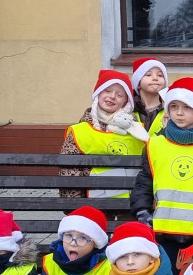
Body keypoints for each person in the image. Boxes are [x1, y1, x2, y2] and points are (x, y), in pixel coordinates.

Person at [130, 77, 193, 273]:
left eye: (187, 107)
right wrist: (142, 212)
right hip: (162, 232)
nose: (179, 113)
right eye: (174, 106)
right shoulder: (155, 145)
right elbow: (144, 183)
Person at [59, 70, 150, 199]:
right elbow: (69, 173)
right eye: (107, 91)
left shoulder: (138, 131)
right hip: (92, 206)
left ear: (126, 102)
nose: (112, 96)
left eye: (119, 95)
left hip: (130, 208)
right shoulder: (79, 132)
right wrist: (74, 207)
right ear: (98, 94)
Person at [131, 57, 168, 133]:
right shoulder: (128, 108)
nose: (155, 78)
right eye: (148, 75)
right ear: (138, 84)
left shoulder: (170, 109)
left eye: (160, 75)